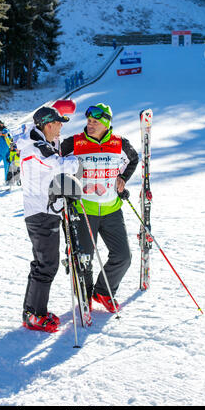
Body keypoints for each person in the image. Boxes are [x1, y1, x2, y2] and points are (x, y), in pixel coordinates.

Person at [61, 103, 139, 313]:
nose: (90, 124)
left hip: (112, 209)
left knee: (123, 256)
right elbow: (53, 158)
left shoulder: (120, 143)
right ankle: (85, 297)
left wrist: (123, 177)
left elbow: (134, 159)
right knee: (84, 259)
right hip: (83, 209)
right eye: (88, 121)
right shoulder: (74, 142)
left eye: (95, 122)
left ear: (106, 123)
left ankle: (104, 291)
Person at [16, 106, 79, 332]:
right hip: (41, 213)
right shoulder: (36, 146)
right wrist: (75, 161)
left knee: (43, 263)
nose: (62, 127)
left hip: (46, 209)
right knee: (46, 264)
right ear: (48, 125)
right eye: (59, 123)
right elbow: (61, 165)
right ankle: (34, 314)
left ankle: (33, 311)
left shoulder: (42, 142)